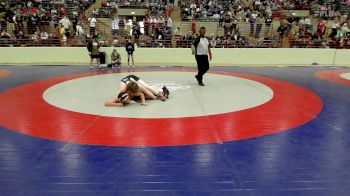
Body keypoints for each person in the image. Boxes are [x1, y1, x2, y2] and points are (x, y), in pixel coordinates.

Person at [105, 75, 169, 107]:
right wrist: (119, 104)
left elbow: (144, 91)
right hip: (126, 82)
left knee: (146, 86)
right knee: (147, 96)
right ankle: (160, 92)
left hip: (132, 78)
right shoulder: (122, 93)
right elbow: (107, 103)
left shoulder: (137, 87)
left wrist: (155, 97)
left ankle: (160, 92)